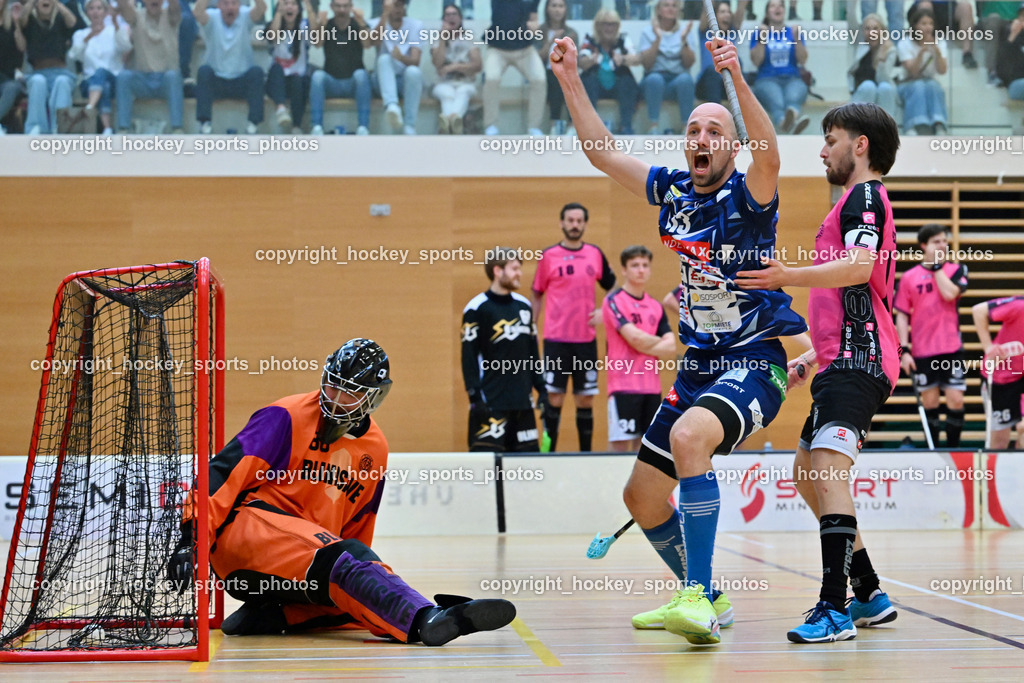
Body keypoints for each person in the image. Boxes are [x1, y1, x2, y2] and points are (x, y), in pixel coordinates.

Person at [550, 32, 807, 644]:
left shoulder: (750, 196)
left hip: (755, 360)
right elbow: (603, 153)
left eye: (716, 131)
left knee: (692, 437)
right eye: (694, 129)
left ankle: (693, 593)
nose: (702, 139)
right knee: (641, 497)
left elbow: (769, 154)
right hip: (698, 365)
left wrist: (736, 79)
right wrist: (569, 77)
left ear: (731, 146)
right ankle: (709, 600)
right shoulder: (671, 191)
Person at [167, 339, 517, 643]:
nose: (334, 398)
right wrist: (191, 538)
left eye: (349, 391)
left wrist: (368, 568)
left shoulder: (376, 449)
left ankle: (276, 615)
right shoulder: (285, 416)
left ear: (375, 397)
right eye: (332, 385)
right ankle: (427, 618)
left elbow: (358, 528)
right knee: (347, 562)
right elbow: (222, 473)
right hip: (243, 538)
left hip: (300, 564)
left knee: (356, 594)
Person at [735, 101, 901, 642]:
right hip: (842, 358)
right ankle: (869, 591)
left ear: (861, 146)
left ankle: (833, 607)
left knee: (828, 470)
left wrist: (787, 273)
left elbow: (859, 267)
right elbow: (848, 290)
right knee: (807, 474)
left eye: (831, 138)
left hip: (862, 358)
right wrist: (813, 355)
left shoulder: (865, 196)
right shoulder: (850, 202)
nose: (822, 149)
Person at [531, 203, 616, 453]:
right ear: (562, 223)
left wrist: (605, 311)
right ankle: (547, 454)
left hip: (585, 341)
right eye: (570, 220)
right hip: (556, 340)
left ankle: (586, 455)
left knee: (585, 399)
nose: (575, 225)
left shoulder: (595, 254)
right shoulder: (549, 256)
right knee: (553, 399)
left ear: (585, 224)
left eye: (579, 221)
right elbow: (536, 294)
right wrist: (531, 328)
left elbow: (612, 287)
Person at [461, 248, 547, 452]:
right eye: (515, 268)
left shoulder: (524, 307)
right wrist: (474, 397)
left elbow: (532, 353)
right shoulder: (476, 308)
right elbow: (469, 357)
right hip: (491, 404)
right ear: (498, 270)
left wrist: (542, 389)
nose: (520, 273)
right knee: (488, 472)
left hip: (523, 405)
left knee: (527, 472)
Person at [894, 224, 969, 448]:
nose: (942, 245)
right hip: (922, 352)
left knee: (956, 400)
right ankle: (933, 450)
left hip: (951, 348)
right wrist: (904, 351)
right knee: (930, 402)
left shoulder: (956, 270)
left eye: (944, 241)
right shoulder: (909, 277)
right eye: (937, 242)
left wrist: (937, 268)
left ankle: (954, 449)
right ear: (924, 245)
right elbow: (902, 316)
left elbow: (949, 294)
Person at [602, 245, 675, 452]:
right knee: (619, 446)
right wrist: (653, 342)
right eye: (635, 265)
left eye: (645, 265)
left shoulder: (655, 306)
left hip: (651, 388)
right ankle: (611, 484)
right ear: (624, 270)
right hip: (623, 386)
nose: (641, 270)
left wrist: (644, 342)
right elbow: (634, 338)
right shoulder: (614, 301)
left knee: (644, 447)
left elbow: (670, 345)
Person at [193, 0, 267, 135]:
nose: (230, 7)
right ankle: (205, 125)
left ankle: (252, 125)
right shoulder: (212, 17)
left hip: (241, 82)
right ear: (219, 6)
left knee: (257, 72)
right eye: (225, 4)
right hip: (217, 82)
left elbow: (262, 8)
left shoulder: (245, 16)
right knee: (203, 71)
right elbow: (197, 12)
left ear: (239, 6)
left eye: (234, 3)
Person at [116, 0, 185, 134]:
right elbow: (123, 6)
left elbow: (175, 6)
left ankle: (177, 128)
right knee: (124, 77)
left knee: (174, 76)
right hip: (143, 79)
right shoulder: (136, 17)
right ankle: (123, 128)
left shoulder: (172, 15)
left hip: (166, 79)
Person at [482, 0, 546, 136]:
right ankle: (491, 125)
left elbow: (534, 19)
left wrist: (534, 27)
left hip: (524, 50)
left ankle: (534, 127)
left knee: (539, 80)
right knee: (491, 79)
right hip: (497, 49)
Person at [309, 0, 373, 136]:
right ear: (332, 7)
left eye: (345, 6)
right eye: (338, 6)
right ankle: (317, 127)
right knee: (317, 76)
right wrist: (321, 24)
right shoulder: (327, 24)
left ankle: (363, 128)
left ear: (351, 7)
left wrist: (362, 22)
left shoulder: (358, 23)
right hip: (332, 82)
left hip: (353, 83)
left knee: (362, 75)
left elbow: (367, 45)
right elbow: (317, 44)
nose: (342, 10)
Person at [67, 0, 130, 135]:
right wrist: (89, 37)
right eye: (91, 8)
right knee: (103, 85)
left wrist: (115, 23)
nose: (95, 11)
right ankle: (107, 128)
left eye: (99, 8)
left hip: (114, 79)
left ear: (105, 12)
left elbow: (126, 46)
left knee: (102, 73)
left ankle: (90, 107)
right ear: (87, 12)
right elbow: (74, 55)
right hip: (89, 82)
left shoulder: (114, 31)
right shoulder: (81, 34)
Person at [637, 0, 698, 135]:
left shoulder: (685, 31)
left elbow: (689, 63)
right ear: (658, 10)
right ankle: (653, 127)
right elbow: (647, 64)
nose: (670, 9)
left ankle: (686, 128)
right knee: (655, 79)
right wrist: (658, 38)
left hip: (677, 80)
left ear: (678, 10)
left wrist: (683, 40)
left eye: (674, 6)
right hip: (653, 80)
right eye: (666, 5)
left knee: (686, 80)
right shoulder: (648, 32)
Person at [750, 0, 810, 134]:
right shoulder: (759, 32)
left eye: (781, 6)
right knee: (776, 100)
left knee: (794, 97)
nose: (778, 8)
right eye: (773, 6)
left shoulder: (793, 32)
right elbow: (756, 62)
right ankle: (789, 124)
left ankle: (787, 122)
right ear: (767, 12)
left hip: (793, 78)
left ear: (784, 11)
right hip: (766, 79)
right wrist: (762, 39)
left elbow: (803, 60)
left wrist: (797, 38)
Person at [972, 296, 1024, 449]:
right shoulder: (1019, 306)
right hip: (1000, 376)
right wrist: (988, 348)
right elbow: (978, 310)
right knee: (999, 441)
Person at [19, 0, 78, 134]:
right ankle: (36, 127)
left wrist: (56, 3)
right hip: (37, 72)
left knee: (62, 82)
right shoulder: (30, 21)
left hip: (60, 71)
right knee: (38, 82)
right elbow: (22, 20)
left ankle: (60, 127)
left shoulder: (60, 19)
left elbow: (72, 21)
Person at [578, 9, 640, 134]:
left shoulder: (623, 39)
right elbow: (580, 62)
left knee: (627, 81)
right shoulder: (590, 39)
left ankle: (626, 126)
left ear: (617, 26)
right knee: (587, 80)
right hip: (596, 87)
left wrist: (623, 59)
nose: (609, 28)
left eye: (613, 24)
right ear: (598, 25)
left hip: (617, 87)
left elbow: (636, 59)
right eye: (605, 24)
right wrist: (590, 61)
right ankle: (589, 128)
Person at [370, 0, 423, 135]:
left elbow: (416, 61)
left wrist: (401, 58)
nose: (397, 9)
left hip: (403, 82)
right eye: (393, 5)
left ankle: (409, 125)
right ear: (384, 6)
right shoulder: (375, 23)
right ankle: (391, 105)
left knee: (414, 72)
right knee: (384, 59)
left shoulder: (415, 25)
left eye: (400, 4)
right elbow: (373, 41)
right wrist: (385, 15)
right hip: (381, 82)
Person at [898, 5, 948, 135]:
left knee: (933, 86)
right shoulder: (904, 43)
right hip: (908, 83)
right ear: (915, 26)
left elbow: (942, 70)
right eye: (924, 23)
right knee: (919, 86)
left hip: (929, 81)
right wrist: (921, 52)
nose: (928, 27)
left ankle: (939, 124)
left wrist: (936, 51)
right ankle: (915, 125)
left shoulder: (940, 42)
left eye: (931, 24)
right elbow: (913, 72)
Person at [265, 0, 315, 133]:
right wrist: (278, 12)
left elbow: (317, 38)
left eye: (293, 4)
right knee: (276, 68)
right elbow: (273, 36)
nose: (289, 7)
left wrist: (309, 8)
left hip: (297, 82)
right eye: (285, 3)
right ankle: (281, 109)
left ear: (298, 9)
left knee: (298, 80)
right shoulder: (272, 25)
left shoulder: (304, 26)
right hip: (276, 83)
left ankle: (296, 127)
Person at [431, 4, 480, 134]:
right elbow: (437, 64)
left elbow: (477, 65)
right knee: (447, 94)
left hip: (466, 82)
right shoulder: (437, 39)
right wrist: (443, 38)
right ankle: (454, 122)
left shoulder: (469, 37)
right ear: (443, 19)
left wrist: (455, 66)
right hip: (443, 83)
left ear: (460, 18)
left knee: (463, 91)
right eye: (447, 15)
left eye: (454, 14)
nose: (451, 17)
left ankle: (447, 122)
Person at [536, 0, 578, 134]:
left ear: (565, 9)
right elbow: (537, 58)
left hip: (566, 72)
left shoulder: (571, 33)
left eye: (561, 6)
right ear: (547, 9)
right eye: (553, 6)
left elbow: (574, 60)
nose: (557, 10)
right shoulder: (540, 31)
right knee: (556, 78)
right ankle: (555, 123)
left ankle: (572, 126)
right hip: (544, 73)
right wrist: (551, 40)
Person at [849, 13, 897, 119]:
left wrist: (881, 57)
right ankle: (858, 125)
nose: (872, 32)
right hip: (862, 94)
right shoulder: (858, 47)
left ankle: (886, 128)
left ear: (883, 31)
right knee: (868, 86)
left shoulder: (890, 50)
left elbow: (884, 79)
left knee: (885, 87)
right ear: (862, 31)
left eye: (876, 28)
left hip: (883, 92)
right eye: (867, 28)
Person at [0, 0, 25, 135]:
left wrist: (16, 23)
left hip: (8, 78)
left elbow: (22, 48)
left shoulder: (11, 22)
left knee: (11, 88)